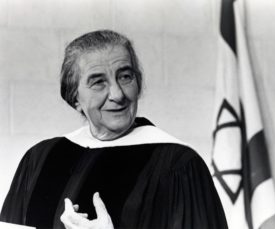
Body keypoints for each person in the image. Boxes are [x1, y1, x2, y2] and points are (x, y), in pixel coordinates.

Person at [0, 30, 228, 229]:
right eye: (98, 82)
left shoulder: (178, 166)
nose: (118, 95)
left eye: (125, 76)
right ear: (74, 97)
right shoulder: (39, 159)